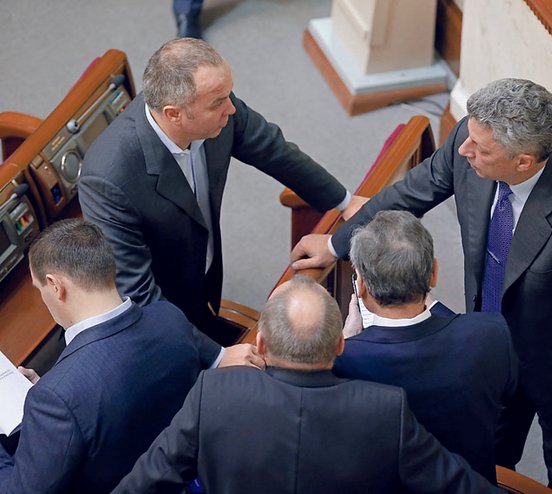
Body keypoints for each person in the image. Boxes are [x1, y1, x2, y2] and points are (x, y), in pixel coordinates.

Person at [290, 78, 552, 494]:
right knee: (487, 453)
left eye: (480, 149)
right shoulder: (472, 137)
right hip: (492, 340)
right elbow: (410, 193)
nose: (464, 150)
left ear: (523, 162)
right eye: (469, 137)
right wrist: (337, 244)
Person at [79, 38, 360, 352]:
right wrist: (217, 357)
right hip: (164, 307)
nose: (232, 108)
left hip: (203, 276)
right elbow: (140, 295)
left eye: (228, 95)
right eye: (218, 103)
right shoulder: (108, 179)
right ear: (174, 114)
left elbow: (274, 150)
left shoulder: (217, 107)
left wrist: (345, 202)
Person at [113, 275, 501, 494]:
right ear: (340, 345)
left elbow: (144, 483)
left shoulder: (212, 394)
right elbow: (462, 487)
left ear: (261, 344)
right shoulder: (386, 410)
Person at [0, 219, 202, 493]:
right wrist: (49, 393)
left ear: (55, 285)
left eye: (40, 289)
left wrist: (52, 397)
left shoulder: (57, 398)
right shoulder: (170, 318)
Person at [332, 210, 517, 483]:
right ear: (434, 274)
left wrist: (346, 343)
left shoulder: (342, 363)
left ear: (361, 286)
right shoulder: (491, 335)